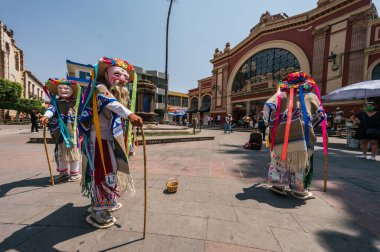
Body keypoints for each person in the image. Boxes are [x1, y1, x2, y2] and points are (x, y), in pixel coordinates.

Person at [80, 57, 143, 228]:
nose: (122, 78)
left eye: (125, 76)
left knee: (112, 169)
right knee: (103, 171)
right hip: (99, 139)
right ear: (106, 75)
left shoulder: (113, 92)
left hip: (110, 139)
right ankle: (98, 210)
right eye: (117, 74)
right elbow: (111, 103)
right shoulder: (100, 88)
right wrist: (129, 114)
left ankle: (109, 200)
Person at [263, 72, 327, 200]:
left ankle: (278, 185)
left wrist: (270, 124)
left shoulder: (280, 96)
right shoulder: (311, 97)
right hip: (303, 136)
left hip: (281, 134)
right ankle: (298, 190)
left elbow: (268, 107)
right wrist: (309, 124)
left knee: (280, 159)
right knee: (300, 161)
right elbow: (322, 115)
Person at [40, 79, 82, 183]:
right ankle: (63, 173)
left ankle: (74, 173)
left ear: (72, 90)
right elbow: (51, 110)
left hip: (73, 133)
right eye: (60, 88)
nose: (63, 90)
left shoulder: (77, 102)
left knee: (74, 153)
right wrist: (46, 116)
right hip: (60, 132)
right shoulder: (56, 103)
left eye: (66, 88)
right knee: (60, 153)